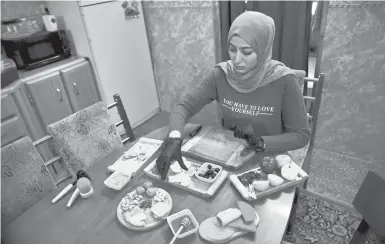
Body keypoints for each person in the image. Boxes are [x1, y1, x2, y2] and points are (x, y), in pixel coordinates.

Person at [156, 11, 310, 180]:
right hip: (229, 157)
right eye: (232, 49)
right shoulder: (221, 74)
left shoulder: (284, 80)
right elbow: (183, 107)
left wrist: (261, 142)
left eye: (247, 52)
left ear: (264, 49)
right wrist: (174, 138)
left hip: (268, 161)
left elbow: (301, 136)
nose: (237, 59)